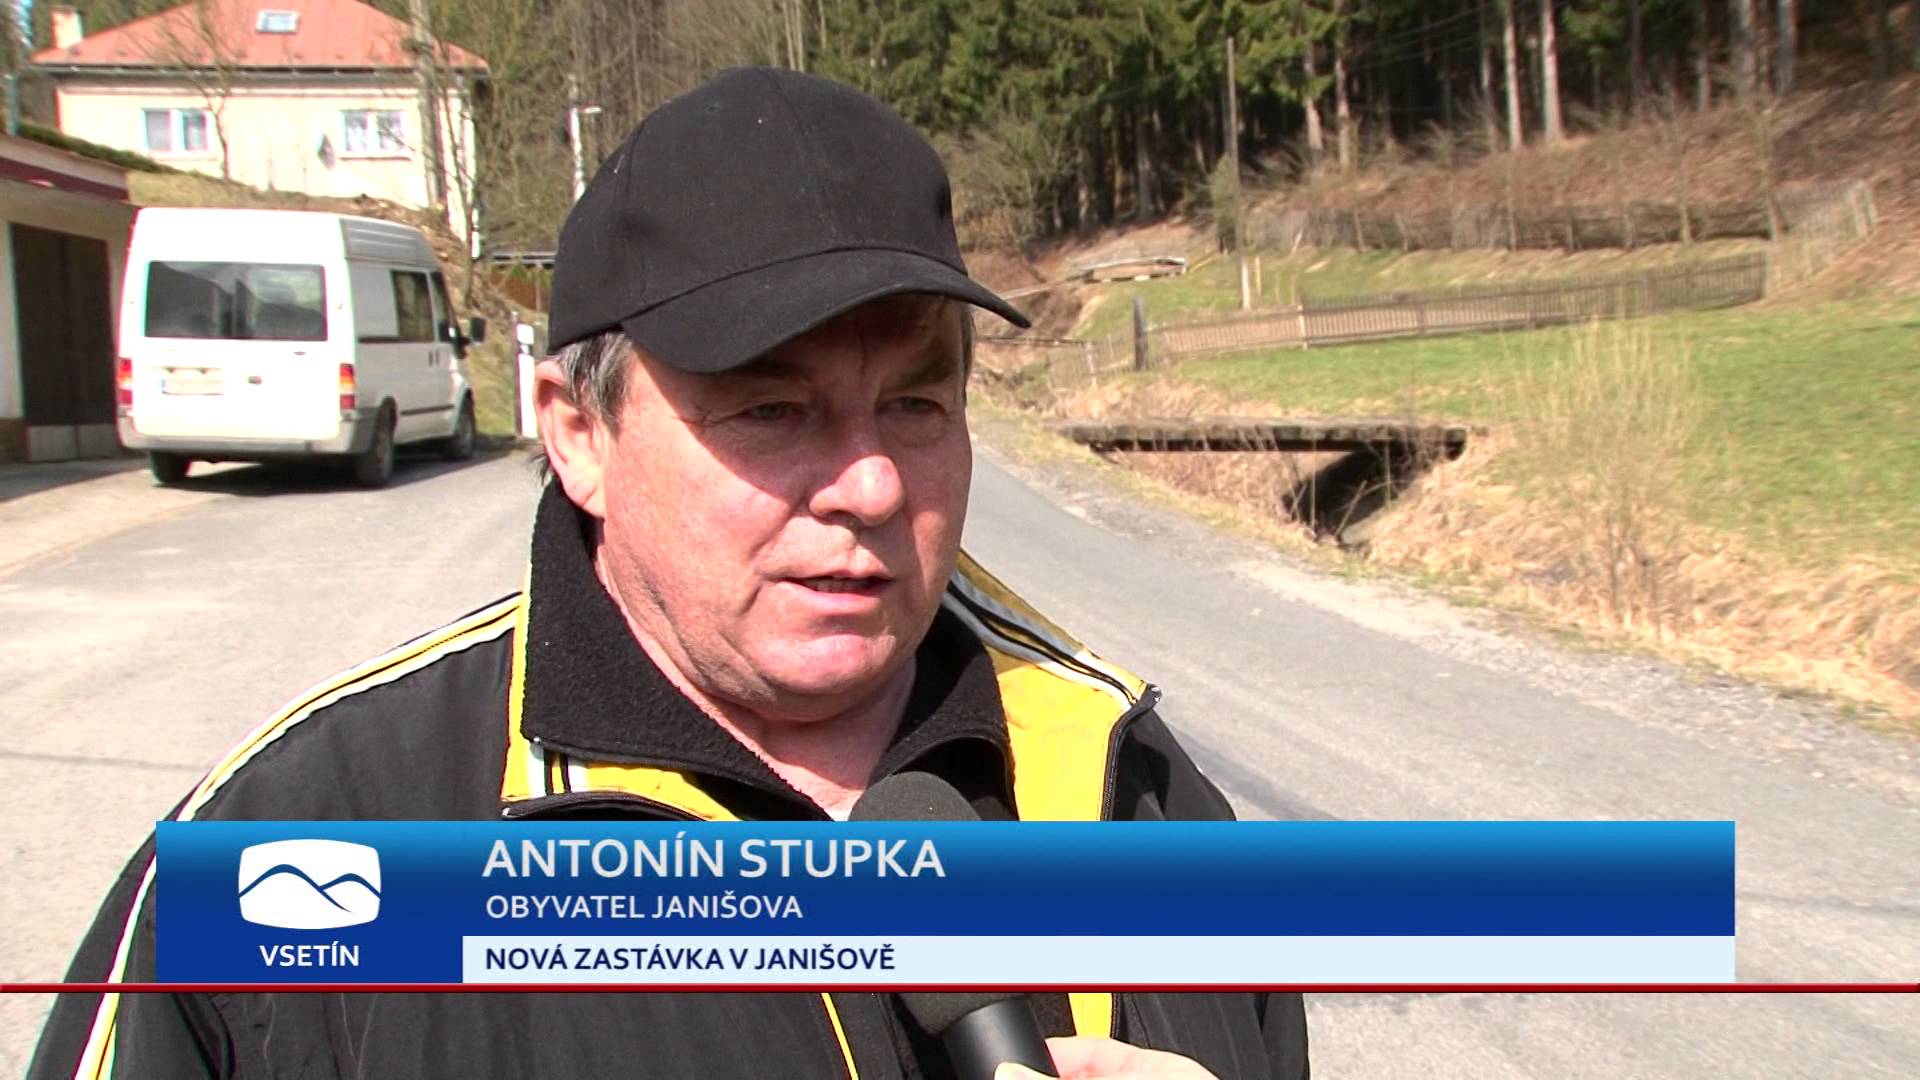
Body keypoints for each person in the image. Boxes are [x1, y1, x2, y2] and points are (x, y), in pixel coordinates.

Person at [30, 68, 1309, 1080]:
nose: (871, 487)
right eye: (772, 412)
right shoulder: (290, 852)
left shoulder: (1134, 790)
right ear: (578, 433)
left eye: (916, 405)